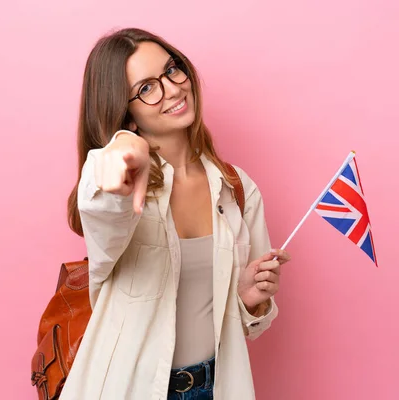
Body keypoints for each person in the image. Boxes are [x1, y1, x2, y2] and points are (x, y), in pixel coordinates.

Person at [62, 27, 291, 400]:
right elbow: (101, 205)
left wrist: (250, 298)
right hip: (128, 388)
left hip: (214, 386)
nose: (172, 89)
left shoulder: (236, 188)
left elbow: (248, 324)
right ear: (126, 113)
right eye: (146, 88)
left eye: (172, 70)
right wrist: (122, 151)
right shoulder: (122, 185)